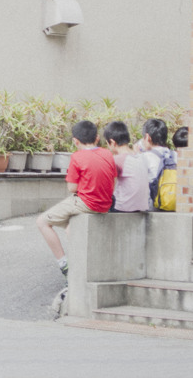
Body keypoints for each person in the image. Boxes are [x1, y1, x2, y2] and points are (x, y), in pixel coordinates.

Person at [35, 120, 117, 277]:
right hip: (106, 204)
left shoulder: (77, 157)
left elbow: (71, 188)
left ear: (75, 141)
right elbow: (112, 181)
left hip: (87, 203)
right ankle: (82, 262)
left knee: (42, 222)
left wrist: (86, 185)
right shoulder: (107, 154)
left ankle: (64, 264)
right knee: (69, 228)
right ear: (97, 138)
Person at [104, 120, 150, 212]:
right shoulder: (141, 157)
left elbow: (108, 187)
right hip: (142, 207)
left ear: (112, 142)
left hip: (123, 208)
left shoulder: (117, 160)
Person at [137, 118, 174, 205]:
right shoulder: (175, 156)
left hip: (152, 208)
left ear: (147, 137)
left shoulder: (143, 158)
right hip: (174, 205)